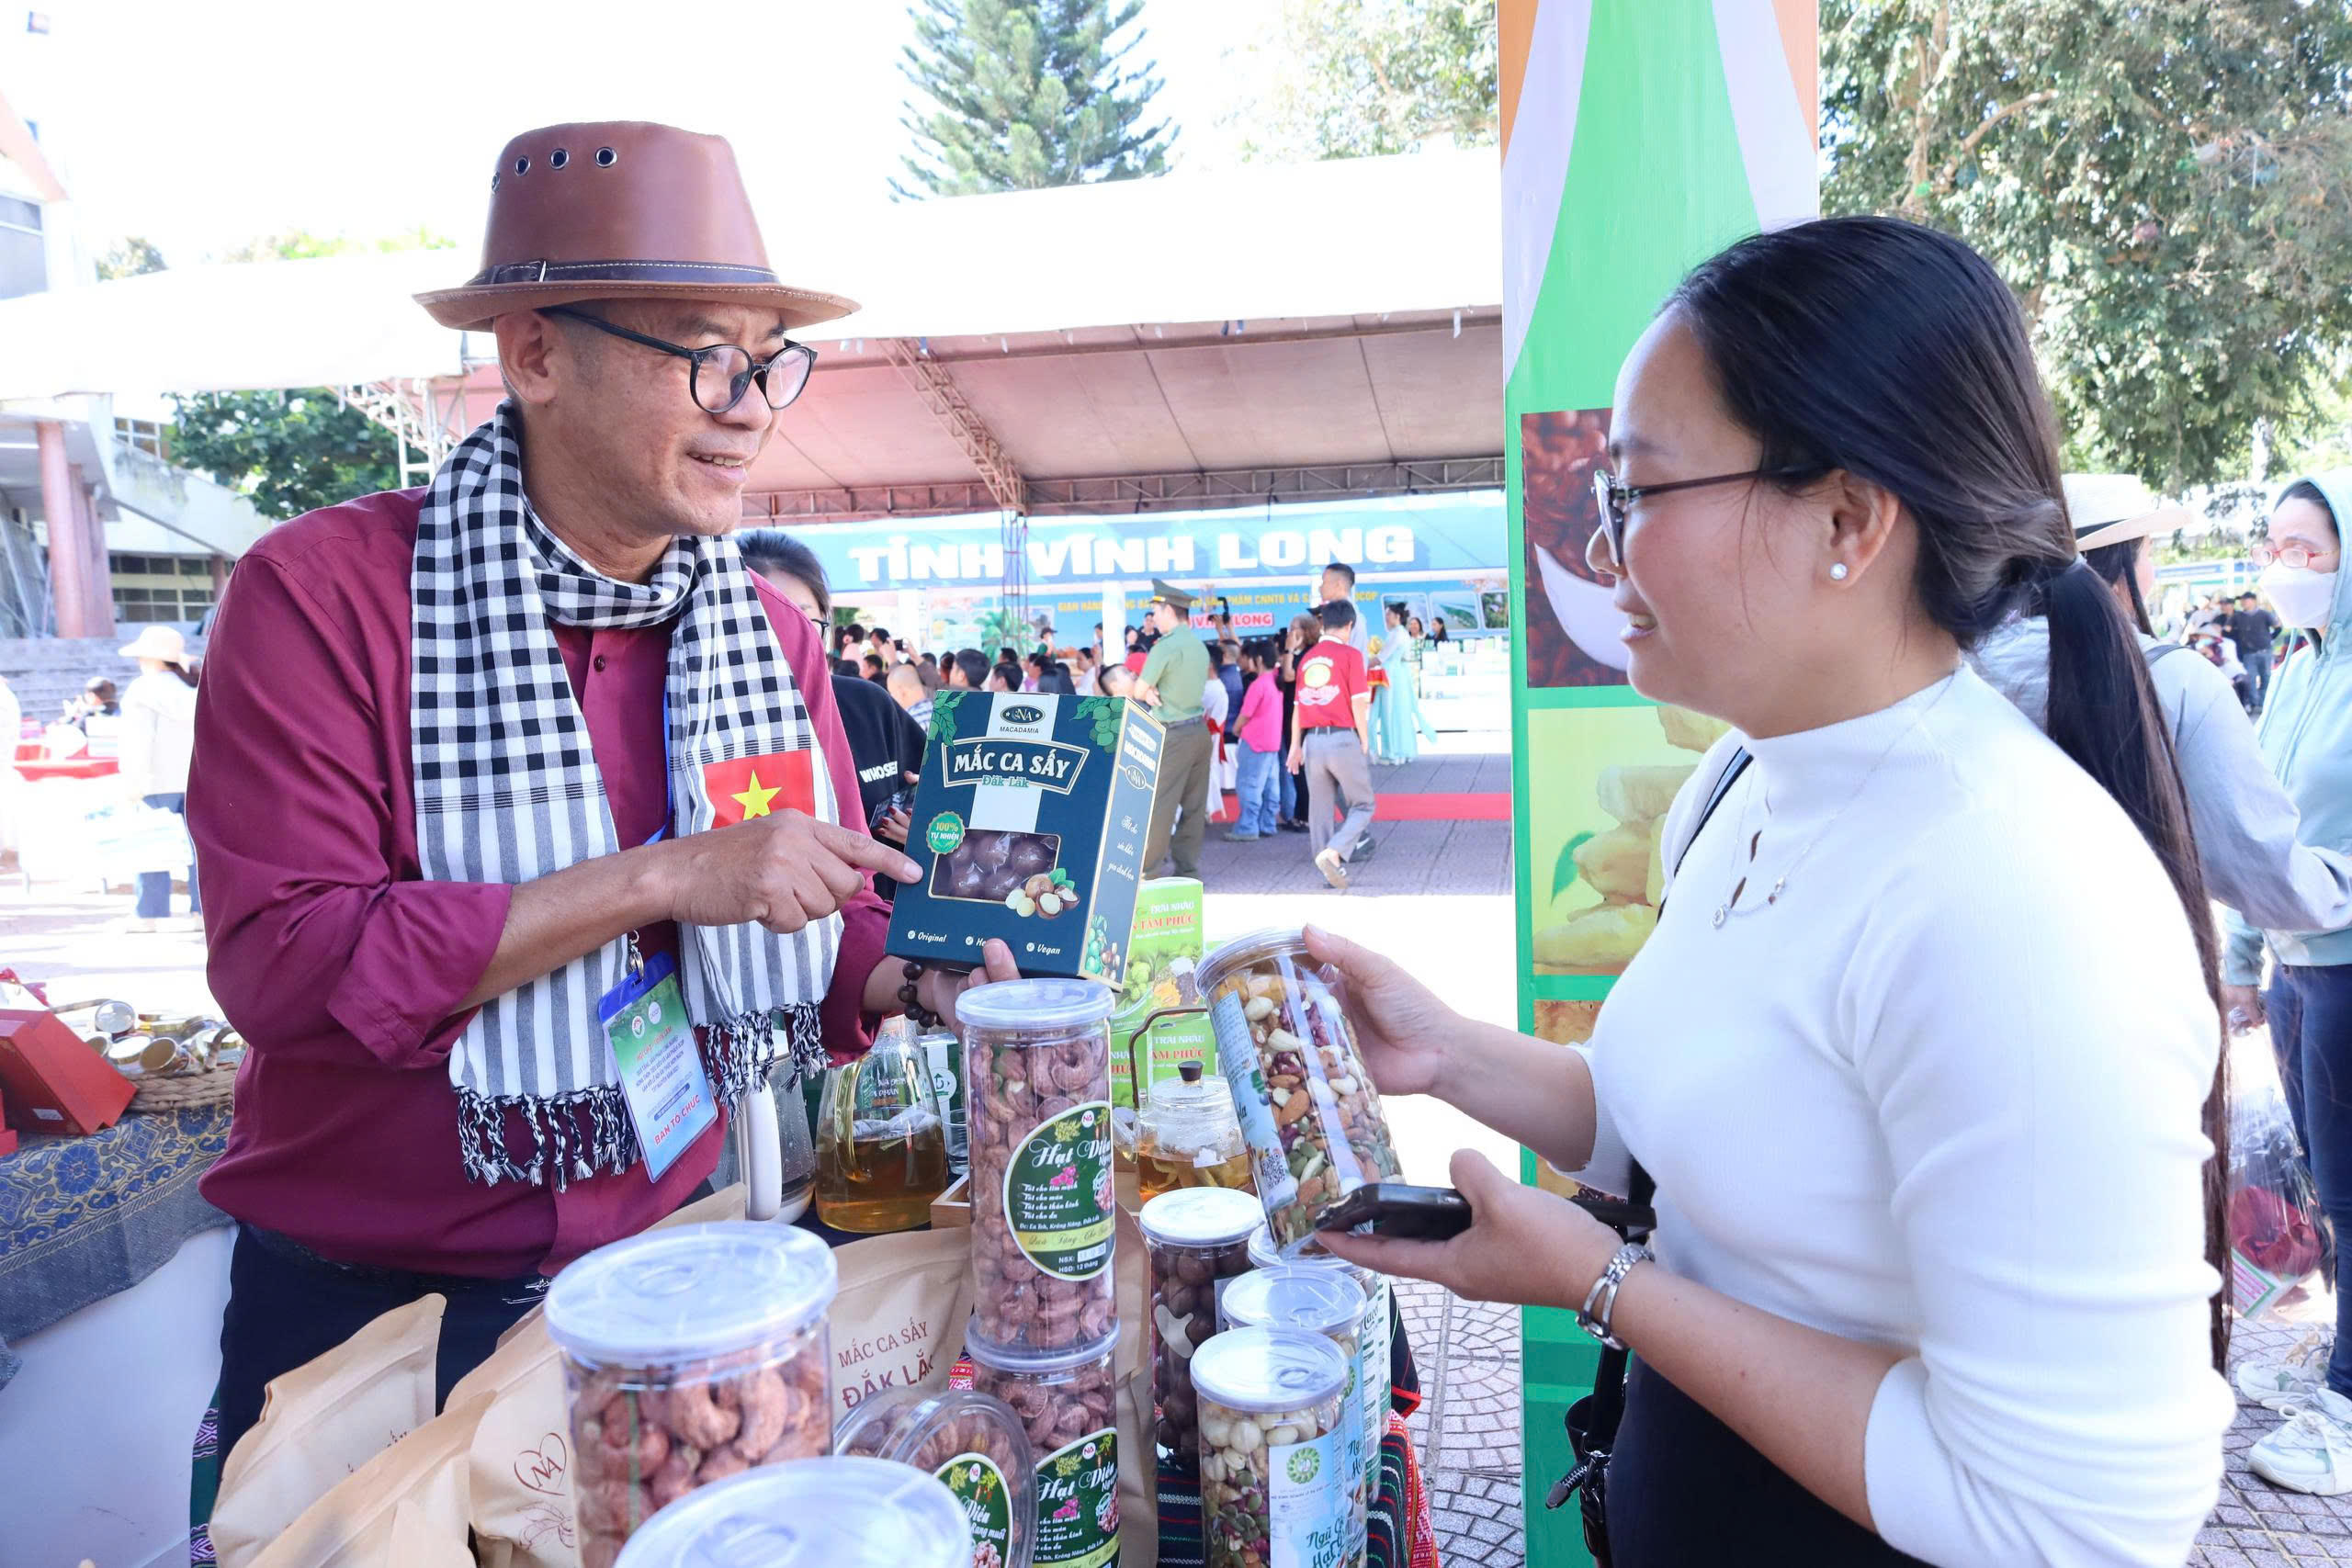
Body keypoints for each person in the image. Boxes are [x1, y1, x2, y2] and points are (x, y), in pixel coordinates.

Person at [1317, 217, 2230, 1565]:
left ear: (1846, 521)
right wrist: (1445, 1052)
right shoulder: (1742, 780)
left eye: (1639, 491)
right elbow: (1699, 1130)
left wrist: (1597, 1281)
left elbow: (2072, 1517)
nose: (1603, 550)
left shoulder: (2017, 899)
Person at [185, 122, 1018, 1479]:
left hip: (668, 1264)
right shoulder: (323, 597)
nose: (750, 406)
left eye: (769, 361)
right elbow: (287, 965)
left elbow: (817, 913)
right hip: (373, 1310)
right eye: (705, 355)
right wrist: (664, 875)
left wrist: (915, 978)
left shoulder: (762, 634)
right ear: (534, 354)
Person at [1975, 472, 2352, 949]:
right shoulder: (2176, 680)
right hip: (2133, 959)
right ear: (2121, 570)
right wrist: (2336, 887)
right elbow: (2261, 869)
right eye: (2149, 553)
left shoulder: (1962, 671)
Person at [2218, 473, 2352, 1491]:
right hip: (2298, 968)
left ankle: (2347, 1405)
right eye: (2275, 546)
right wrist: (2243, 961)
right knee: (2326, 1187)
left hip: (2346, 964)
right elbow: (2264, 829)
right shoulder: (2300, 667)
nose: (2283, 566)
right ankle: (2340, 1361)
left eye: (2306, 547)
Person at [737, 532, 928, 880]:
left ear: (825, 623)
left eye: (801, 621)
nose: (786, 640)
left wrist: (932, 815)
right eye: (764, 623)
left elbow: (935, 800)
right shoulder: (703, 727)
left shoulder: (869, 705)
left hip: (884, 911)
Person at [116, 625, 202, 932]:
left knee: (150, 845)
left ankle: (148, 914)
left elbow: (138, 740)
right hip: (195, 780)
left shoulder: (142, 689)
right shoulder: (194, 689)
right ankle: (202, 913)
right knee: (198, 852)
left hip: (154, 781)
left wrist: (132, 782)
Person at [1289, 600, 1374, 889]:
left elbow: (1298, 708)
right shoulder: (1351, 655)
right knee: (1363, 804)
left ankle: (1328, 869)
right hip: (1342, 738)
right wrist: (1364, 739)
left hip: (1312, 742)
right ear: (1350, 625)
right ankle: (1334, 852)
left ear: (1323, 624)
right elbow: (1359, 702)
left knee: (1320, 812)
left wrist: (1295, 746)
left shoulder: (1308, 658)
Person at [1134, 580, 1213, 878]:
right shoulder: (1198, 646)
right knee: (1194, 806)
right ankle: (1188, 871)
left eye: (1156, 611)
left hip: (1173, 734)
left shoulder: (1165, 647)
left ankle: (1148, 872)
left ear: (1168, 610)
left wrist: (1148, 690)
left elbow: (1139, 689)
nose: (1153, 618)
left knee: (1160, 805)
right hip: (1198, 732)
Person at [1224, 638, 1284, 841]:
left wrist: (1236, 729)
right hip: (1272, 742)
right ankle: (1267, 823)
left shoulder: (1258, 685)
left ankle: (1247, 827)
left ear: (1258, 659)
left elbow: (1245, 714)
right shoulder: (1276, 681)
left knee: (1249, 785)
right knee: (1270, 786)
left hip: (1255, 742)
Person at [1369, 603, 1438, 765]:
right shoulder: (1399, 633)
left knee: (1390, 713)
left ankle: (1392, 752)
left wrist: (1360, 666)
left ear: (1398, 617)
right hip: (1397, 675)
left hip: (1391, 676)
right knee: (1398, 713)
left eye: (1389, 615)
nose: (1386, 618)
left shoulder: (1397, 634)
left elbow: (1381, 657)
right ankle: (1399, 751)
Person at [1276, 612, 1318, 833]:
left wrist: (1289, 650)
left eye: (1295, 628)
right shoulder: (1299, 653)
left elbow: (1289, 676)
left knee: (1300, 766)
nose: (1291, 633)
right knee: (1295, 767)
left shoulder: (1309, 654)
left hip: (1302, 716)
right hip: (1289, 714)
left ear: (1307, 631)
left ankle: (1307, 817)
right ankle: (1299, 814)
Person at [2229, 590, 2279, 713]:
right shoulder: (2238, 616)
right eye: (2241, 600)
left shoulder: (2264, 614)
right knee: (2250, 678)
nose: (2242, 602)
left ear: (2253, 601)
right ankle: (2253, 703)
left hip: (2265, 651)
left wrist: (2270, 639)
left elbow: (2277, 627)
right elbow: (2227, 629)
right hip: (2248, 652)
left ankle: (2263, 703)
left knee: (2265, 677)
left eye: (2245, 600)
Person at [1318, 560, 1369, 659]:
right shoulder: (1339, 613)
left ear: (1338, 585)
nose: (1320, 588)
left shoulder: (1350, 616)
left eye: (1324, 582)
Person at [886, 663, 933, 727]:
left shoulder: (906, 723)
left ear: (900, 692)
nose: (892, 698)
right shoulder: (943, 711)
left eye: (892, 693)